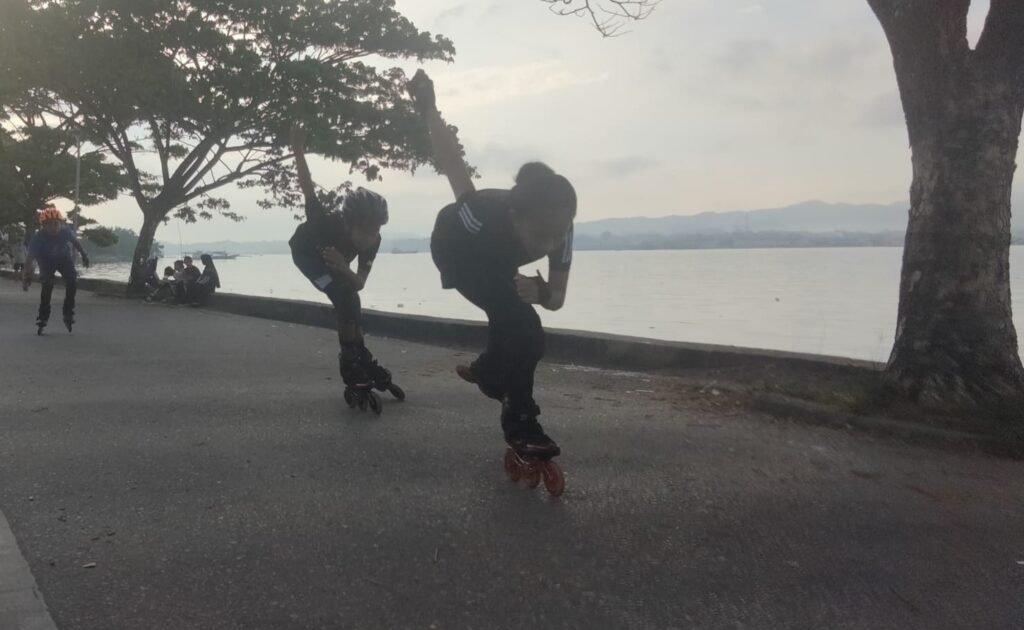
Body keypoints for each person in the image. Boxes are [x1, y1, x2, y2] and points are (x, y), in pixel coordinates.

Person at [409, 70, 576, 459]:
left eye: (557, 234)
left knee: (527, 329)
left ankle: (488, 373)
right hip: (458, 250)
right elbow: (453, 166)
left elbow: (557, 300)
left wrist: (543, 292)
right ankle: (520, 423)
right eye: (540, 235)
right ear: (516, 216)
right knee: (520, 323)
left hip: (498, 263)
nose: (549, 244)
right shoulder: (483, 213)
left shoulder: (561, 230)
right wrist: (429, 108)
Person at [287, 121, 398, 396]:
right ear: (348, 224)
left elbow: (359, 282)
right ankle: (351, 363)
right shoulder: (325, 225)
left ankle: (360, 357)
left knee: (351, 296)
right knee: (341, 294)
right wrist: (298, 148)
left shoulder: (374, 241)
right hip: (308, 256)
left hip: (339, 263)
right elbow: (307, 187)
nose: (369, 237)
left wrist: (345, 266)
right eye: (364, 230)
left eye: (375, 230)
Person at [21, 206, 90, 332]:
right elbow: (29, 259)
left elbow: (76, 243)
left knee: (72, 281)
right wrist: (26, 277)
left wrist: (84, 255)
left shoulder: (65, 231)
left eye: (56, 224)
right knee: (47, 285)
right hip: (46, 261)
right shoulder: (38, 237)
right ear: (43, 226)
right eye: (49, 225)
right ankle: (43, 316)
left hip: (64, 258)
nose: (53, 228)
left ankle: (68, 311)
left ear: (61, 224)